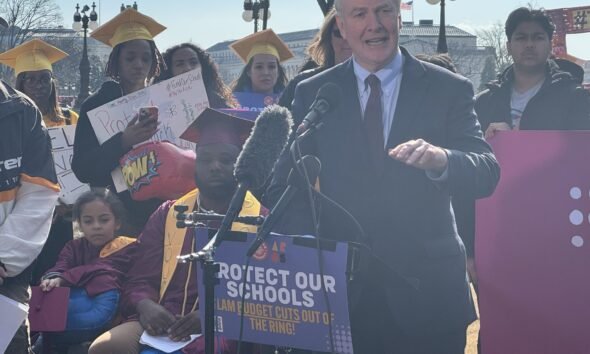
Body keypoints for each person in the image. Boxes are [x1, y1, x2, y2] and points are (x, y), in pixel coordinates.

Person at [265, 0, 500, 352]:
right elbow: (283, 187)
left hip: (427, 297)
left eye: (384, 10)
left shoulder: (448, 87)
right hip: (342, 295)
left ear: (399, 17)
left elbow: (486, 172)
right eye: (360, 14)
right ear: (341, 27)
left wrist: (441, 160)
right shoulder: (314, 92)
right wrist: (318, 243)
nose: (374, 24)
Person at [89, 109, 265, 354]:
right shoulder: (169, 213)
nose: (215, 167)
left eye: (226, 160)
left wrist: (212, 313)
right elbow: (141, 275)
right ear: (195, 164)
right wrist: (145, 304)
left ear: (240, 164)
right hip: (163, 316)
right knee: (106, 347)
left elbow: (264, 295)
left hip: (224, 323)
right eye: (205, 160)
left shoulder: (259, 219)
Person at [72, 8, 167, 236]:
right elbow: (83, 169)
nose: (139, 64)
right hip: (118, 215)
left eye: (146, 58)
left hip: (163, 209)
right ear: (116, 61)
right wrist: (123, 141)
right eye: (130, 57)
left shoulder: (166, 100)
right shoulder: (96, 105)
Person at [0, 39, 80, 286]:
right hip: (22, 224)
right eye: (30, 79)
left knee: (50, 272)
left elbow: (47, 185)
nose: (37, 85)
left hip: (54, 215)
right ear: (20, 81)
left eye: (43, 78)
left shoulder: (35, 116)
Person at [0, 79, 59, 353]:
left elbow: (39, 194)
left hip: (5, 271)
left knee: (11, 345)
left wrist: (3, 259)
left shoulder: (23, 112)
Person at [37, 188, 137, 350]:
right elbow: (61, 265)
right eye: (88, 221)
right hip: (75, 307)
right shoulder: (73, 247)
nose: (96, 226)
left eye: (104, 220)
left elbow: (103, 268)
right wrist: (52, 279)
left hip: (114, 315)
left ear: (117, 223)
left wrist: (64, 279)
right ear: (80, 225)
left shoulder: (127, 245)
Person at [477, 7, 590, 139]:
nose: (529, 44)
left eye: (538, 38)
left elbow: (581, 152)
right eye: (521, 38)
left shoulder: (575, 98)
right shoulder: (484, 102)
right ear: (508, 47)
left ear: (550, 45)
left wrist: (515, 137)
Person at [278, 7, 353, 110]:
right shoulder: (302, 83)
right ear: (328, 38)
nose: (346, 39)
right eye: (339, 33)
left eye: (353, 33)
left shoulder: (376, 84)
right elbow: (277, 123)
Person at [158, 42, 237, 109]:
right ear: (169, 69)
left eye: (193, 62)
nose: (188, 68)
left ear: (203, 67)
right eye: (180, 64)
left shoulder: (218, 102)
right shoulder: (158, 103)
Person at [230, 29, 293, 109]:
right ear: (249, 71)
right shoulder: (233, 103)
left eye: (271, 67)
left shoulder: (290, 102)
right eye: (259, 67)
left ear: (278, 72)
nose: (266, 72)